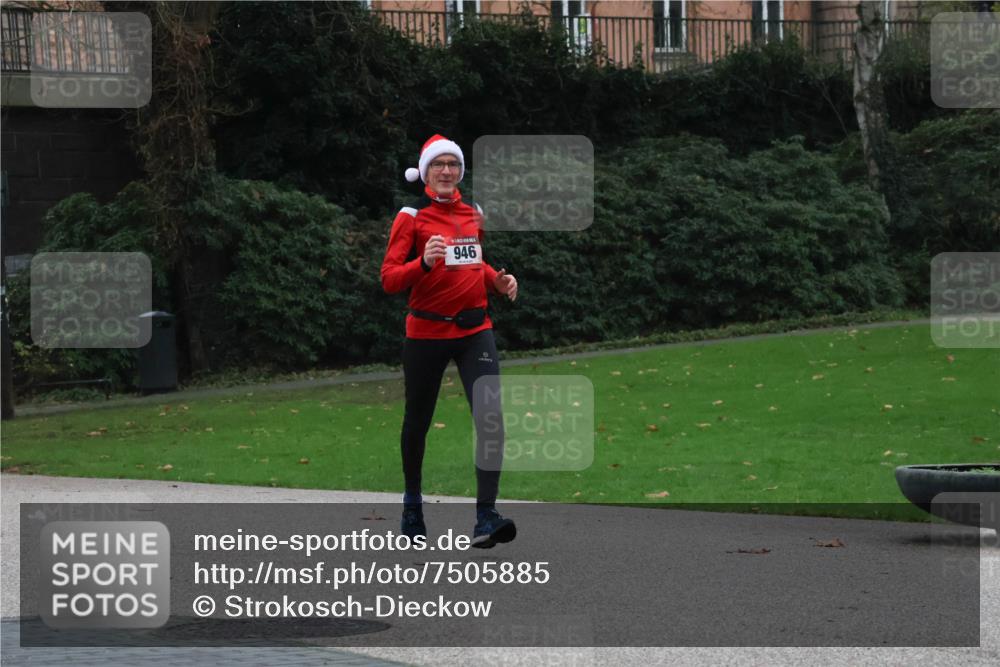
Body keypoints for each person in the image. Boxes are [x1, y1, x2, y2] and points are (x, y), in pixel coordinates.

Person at [381, 134, 519, 548]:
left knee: (491, 420)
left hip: (475, 330)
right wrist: (422, 263)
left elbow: (473, 262)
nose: (446, 171)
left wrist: (497, 280)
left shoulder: (471, 212)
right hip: (426, 332)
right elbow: (389, 279)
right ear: (426, 171)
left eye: (453, 165)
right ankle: (411, 508)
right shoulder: (411, 216)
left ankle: (486, 517)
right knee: (418, 421)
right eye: (438, 165)